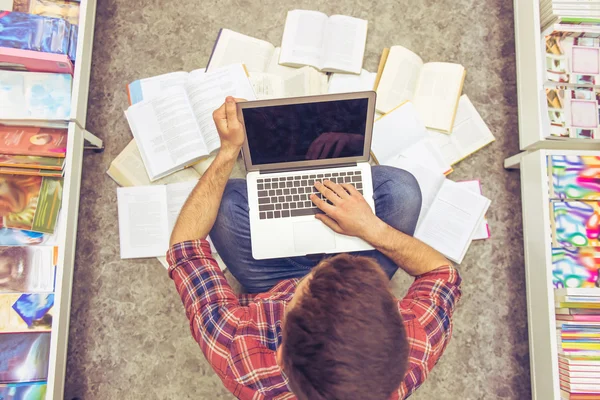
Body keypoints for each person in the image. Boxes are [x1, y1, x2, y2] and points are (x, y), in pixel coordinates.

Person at [168, 96, 462, 400]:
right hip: (365, 239)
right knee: (401, 190)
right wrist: (371, 229)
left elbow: (184, 248)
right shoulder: (416, 348)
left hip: (268, 281)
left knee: (227, 203)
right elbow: (442, 275)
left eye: (308, 286)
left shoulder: (239, 353)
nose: (325, 263)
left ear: (281, 355)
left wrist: (229, 151)